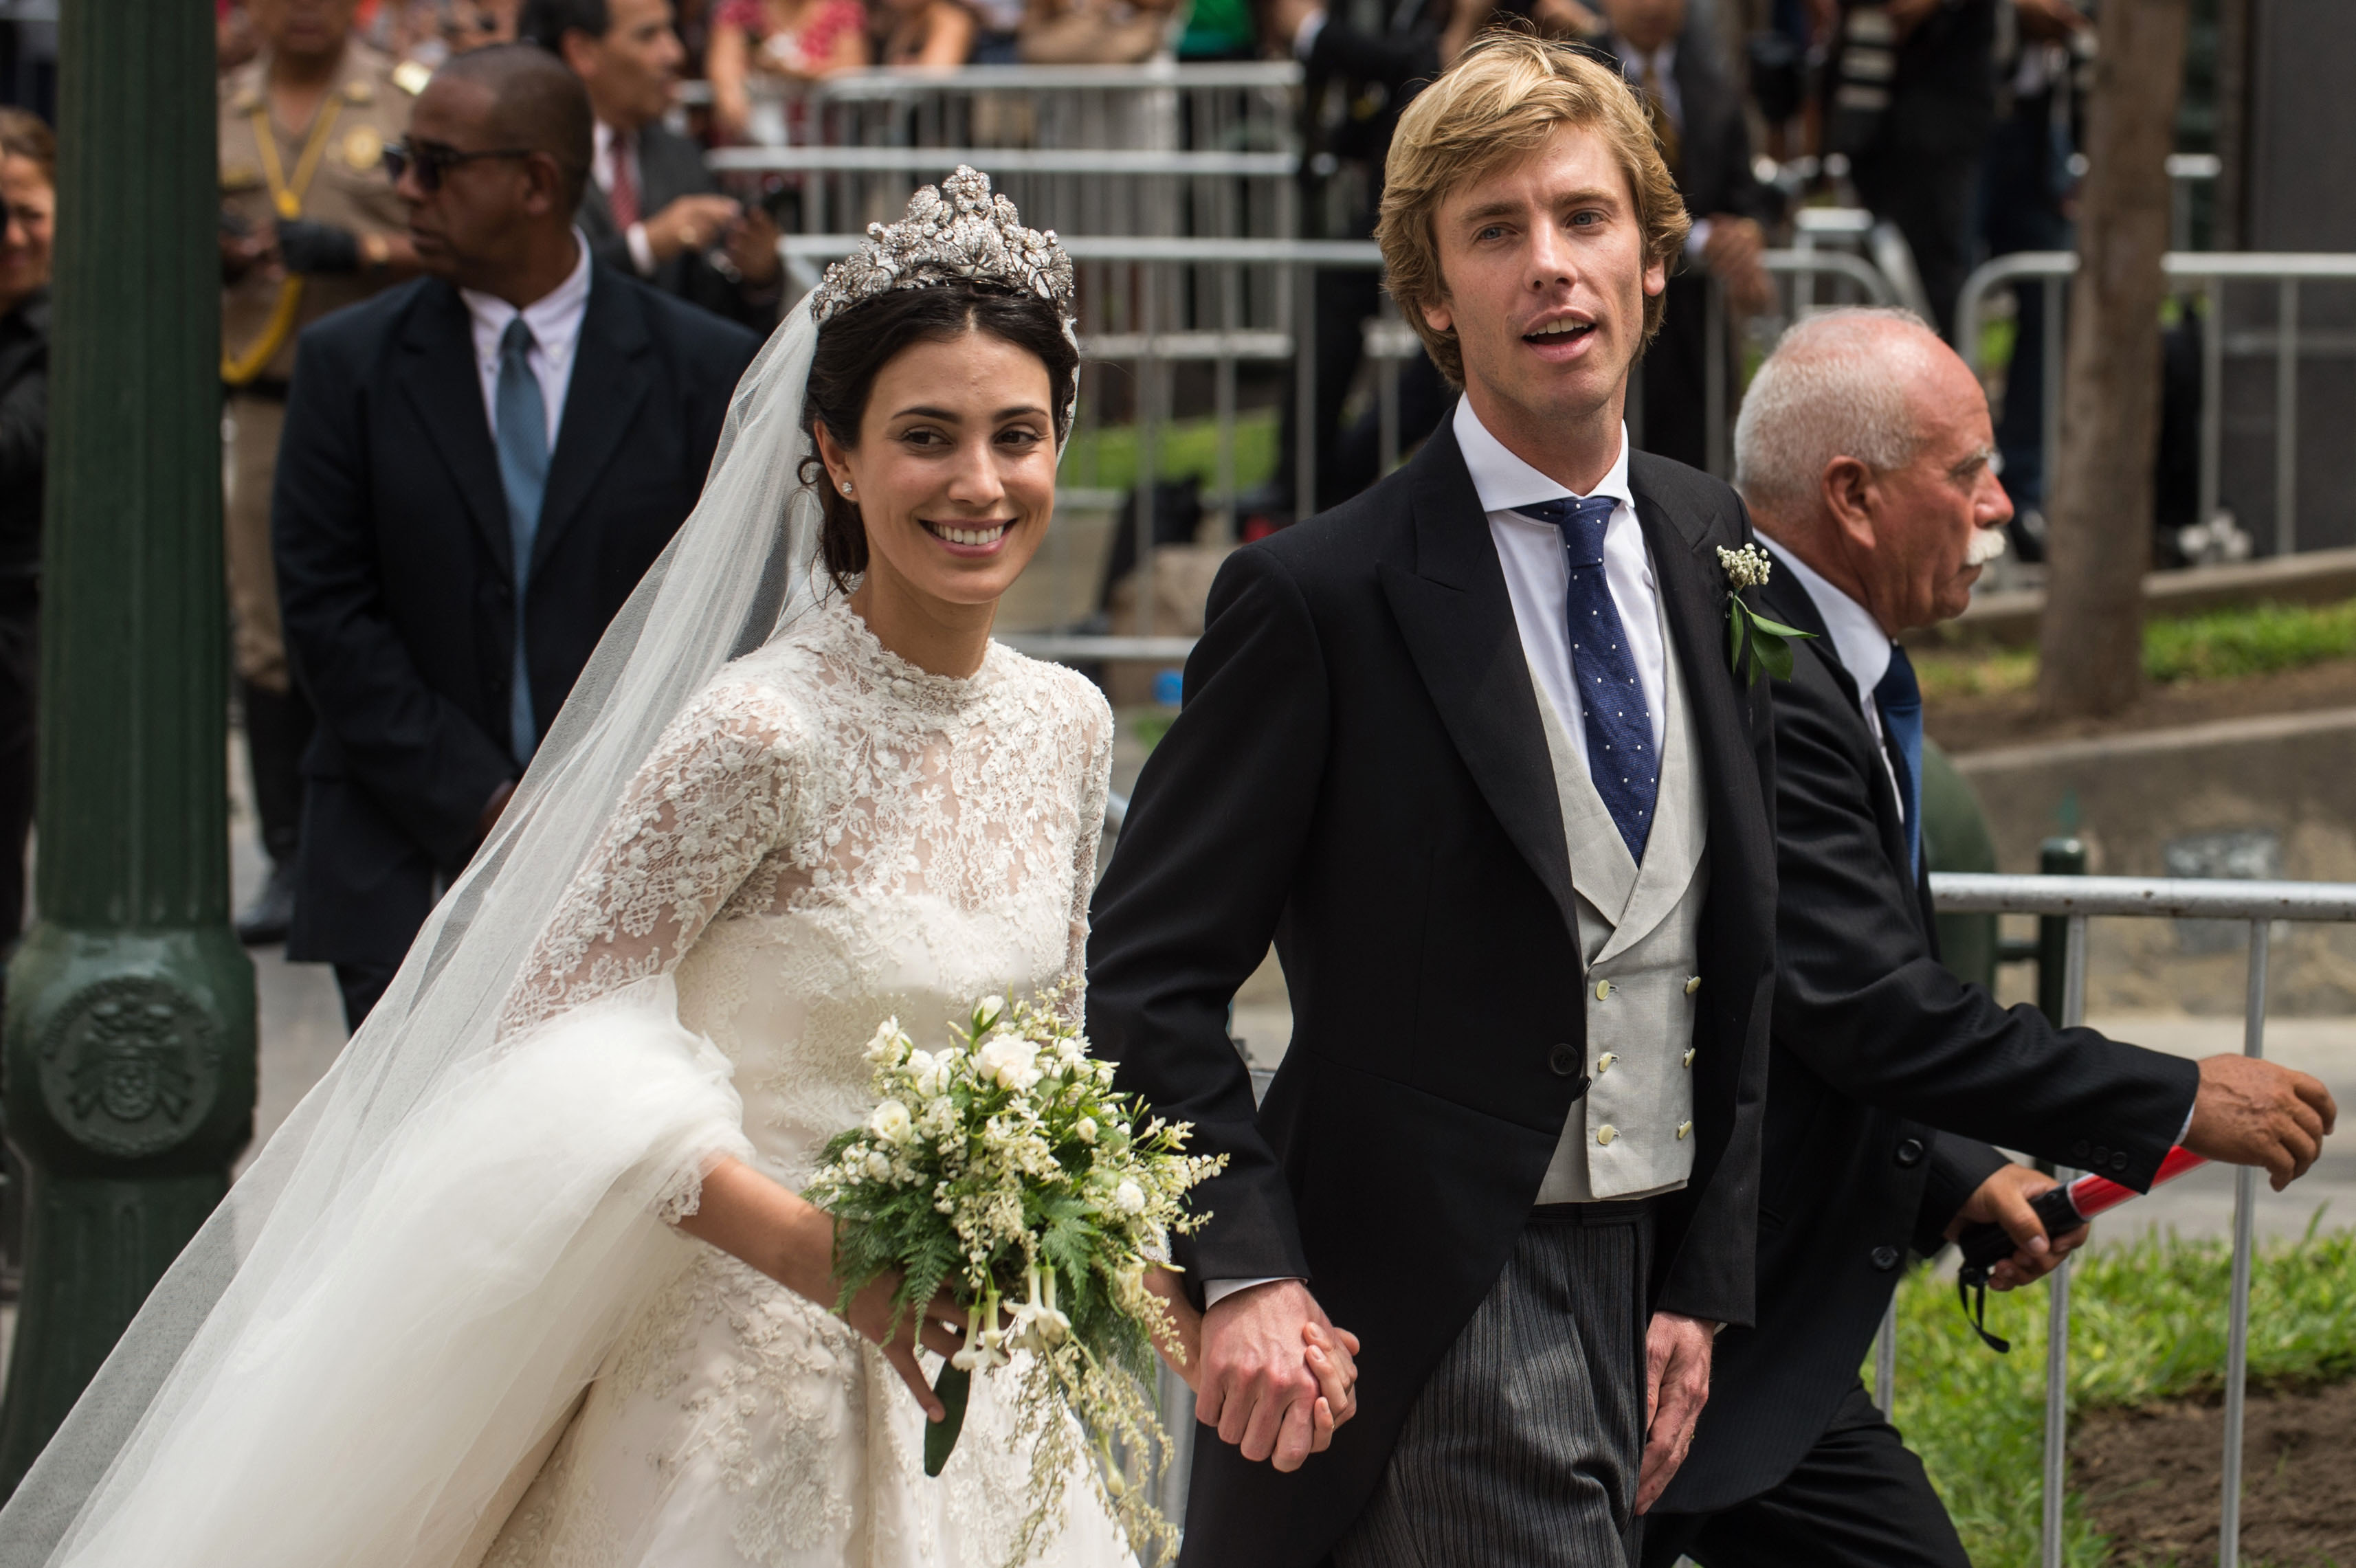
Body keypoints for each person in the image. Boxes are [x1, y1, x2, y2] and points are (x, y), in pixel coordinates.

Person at [0, 161, 1244, 1568]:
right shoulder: (758, 728)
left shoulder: (1068, 725)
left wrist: (1131, 1256)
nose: (979, 483)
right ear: (836, 455)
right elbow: (545, 1030)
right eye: (926, 437)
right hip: (734, 1373)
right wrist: (813, 1252)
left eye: (1017, 435)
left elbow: (1056, 1035)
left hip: (974, 1373)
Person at [1089, 34, 1777, 1567]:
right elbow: (1147, 973)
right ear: (1427, 297)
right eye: (1495, 231)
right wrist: (1246, 1265)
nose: (1552, 267)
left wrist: (1700, 1278)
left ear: (1653, 264)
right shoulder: (1314, 596)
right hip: (1440, 1298)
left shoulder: (1712, 540)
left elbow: (1743, 936)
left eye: (1585, 218)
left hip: (1655, 1279)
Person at [1638, 309, 2340, 1568]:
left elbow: (1793, 1000)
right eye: (1966, 473)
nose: (2001, 505)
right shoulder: (1772, 683)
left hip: (1751, 1346)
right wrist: (2175, 1094)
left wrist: (1953, 1169)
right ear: (1850, 495)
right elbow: (1865, 1004)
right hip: (1661, 1325)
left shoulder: (1812, 657)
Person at [271, 45, 760, 1030]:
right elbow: (326, 610)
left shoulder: (702, 368)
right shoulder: (347, 366)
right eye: (404, 160)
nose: (407, 188)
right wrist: (486, 800)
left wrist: (607, 799)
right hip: (404, 854)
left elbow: (737, 607)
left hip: (636, 857)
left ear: (536, 182)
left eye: (438, 165)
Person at [219, 0, 424, 946]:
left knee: (400, 614)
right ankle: (288, 853)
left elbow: (463, 239)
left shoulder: (403, 104)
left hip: (393, 402)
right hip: (267, 398)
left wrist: (364, 251)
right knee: (270, 631)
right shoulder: (217, 110)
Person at [1590, 0, 1779, 471]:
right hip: (1607, 325)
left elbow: (1748, 196)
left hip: (1695, 338)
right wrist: (1697, 240)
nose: (1653, 6)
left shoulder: (1712, 81)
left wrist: (1748, 233)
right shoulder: (1570, 76)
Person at [521, 0, 786, 330]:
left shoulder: (680, 155)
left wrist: (757, 279)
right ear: (582, 51)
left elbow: (717, 324)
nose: (674, 54)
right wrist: (645, 246)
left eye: (671, 32)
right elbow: (532, 285)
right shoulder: (528, 160)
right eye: (648, 36)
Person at [1829, 0, 1996, 339]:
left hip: (1942, 125)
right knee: (1878, 284)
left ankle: (1941, 380)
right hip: (1870, 123)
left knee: (1936, 280)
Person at [0, 108, 52, 957]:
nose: (11, 238)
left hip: (20, 629)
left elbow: (16, 445)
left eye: (29, 214)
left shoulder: (76, 328)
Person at [702, 0, 867, 144]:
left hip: (820, 143)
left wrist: (793, 71)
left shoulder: (842, 8)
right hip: (754, 140)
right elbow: (723, 62)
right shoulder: (739, 8)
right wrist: (729, 94)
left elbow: (850, 72)